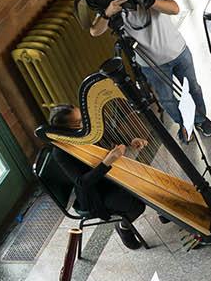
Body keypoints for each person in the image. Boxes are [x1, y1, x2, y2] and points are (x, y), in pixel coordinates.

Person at [89, 0, 211, 139]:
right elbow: (94, 31)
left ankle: (200, 120)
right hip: (151, 65)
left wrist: (148, 1)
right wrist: (107, 13)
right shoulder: (113, 7)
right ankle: (184, 124)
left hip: (178, 52)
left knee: (193, 89)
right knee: (167, 99)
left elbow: (174, 9)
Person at [38, 106, 147, 248]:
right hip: (93, 194)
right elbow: (82, 183)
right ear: (65, 130)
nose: (85, 122)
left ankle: (165, 213)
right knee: (137, 205)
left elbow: (111, 136)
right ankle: (124, 228)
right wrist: (107, 162)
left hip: (106, 179)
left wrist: (130, 141)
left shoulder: (87, 133)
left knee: (143, 183)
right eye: (79, 122)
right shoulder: (60, 152)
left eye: (83, 117)